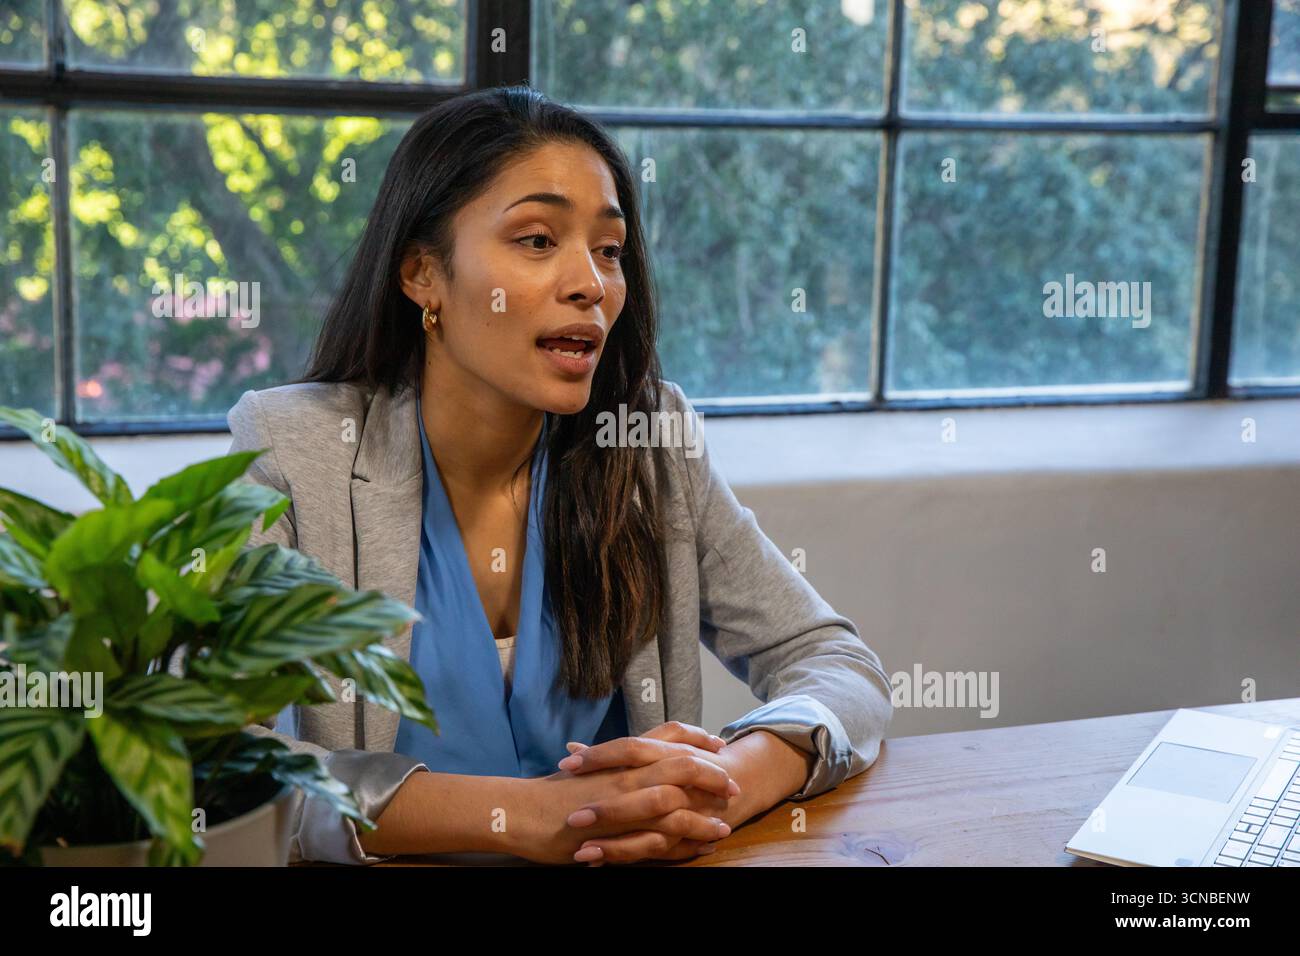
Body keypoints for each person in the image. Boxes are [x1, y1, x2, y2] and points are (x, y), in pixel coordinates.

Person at [225, 84, 893, 867]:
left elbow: (840, 666)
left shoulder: (646, 444)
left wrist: (731, 779)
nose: (591, 284)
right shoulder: (298, 448)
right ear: (422, 275)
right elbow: (213, 757)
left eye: (608, 251)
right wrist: (526, 814)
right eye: (538, 241)